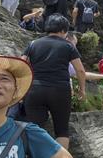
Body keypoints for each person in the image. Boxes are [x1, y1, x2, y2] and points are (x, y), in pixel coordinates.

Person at [21, 15, 87, 149]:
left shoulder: (34, 44)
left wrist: (21, 89)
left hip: (35, 89)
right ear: (63, 30)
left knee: (34, 129)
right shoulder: (68, 46)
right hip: (60, 90)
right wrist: (82, 89)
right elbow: (80, 70)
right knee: (62, 130)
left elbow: (21, 65)